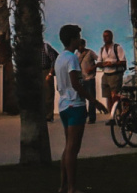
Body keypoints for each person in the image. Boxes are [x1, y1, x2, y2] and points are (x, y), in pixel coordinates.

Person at [52, 24, 93, 193]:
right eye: (77, 37)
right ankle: (72, 188)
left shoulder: (60, 58)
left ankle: (63, 186)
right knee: (72, 149)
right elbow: (75, 83)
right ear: (72, 39)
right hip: (75, 105)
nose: (80, 40)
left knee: (68, 147)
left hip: (63, 106)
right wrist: (93, 101)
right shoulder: (72, 58)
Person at [95, 30, 127, 118]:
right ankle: (111, 116)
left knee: (115, 96)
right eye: (104, 36)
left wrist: (112, 64)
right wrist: (103, 64)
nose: (105, 38)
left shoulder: (117, 48)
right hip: (106, 74)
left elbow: (123, 61)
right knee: (108, 96)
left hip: (115, 73)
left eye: (107, 36)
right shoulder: (102, 49)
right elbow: (98, 62)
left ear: (111, 36)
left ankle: (119, 114)